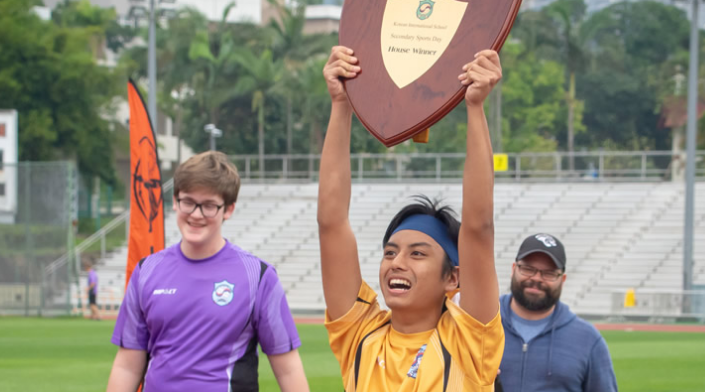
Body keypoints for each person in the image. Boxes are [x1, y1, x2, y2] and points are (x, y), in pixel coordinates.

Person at [318, 46, 505, 391]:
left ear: (453, 279)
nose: (396, 262)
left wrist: (475, 107)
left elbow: (478, 228)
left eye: (417, 253)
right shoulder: (360, 335)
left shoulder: (470, 341)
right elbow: (331, 223)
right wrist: (342, 104)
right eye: (390, 252)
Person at [106, 151, 309, 392]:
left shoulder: (258, 277)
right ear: (175, 200)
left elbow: (288, 368)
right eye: (188, 201)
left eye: (209, 206)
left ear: (229, 209)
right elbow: (127, 366)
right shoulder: (147, 271)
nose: (196, 214)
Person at [498, 233, 618, 391]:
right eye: (528, 269)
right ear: (514, 269)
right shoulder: (480, 323)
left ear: (563, 279)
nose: (537, 278)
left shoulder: (588, 339)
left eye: (549, 273)